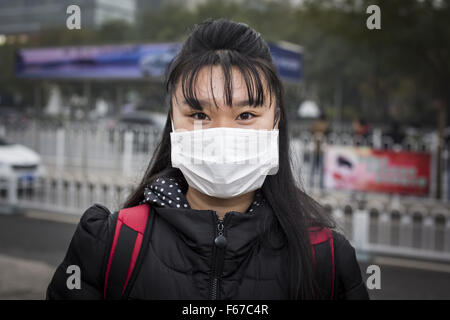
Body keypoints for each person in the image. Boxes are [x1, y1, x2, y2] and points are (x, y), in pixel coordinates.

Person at [46, 19, 369, 300]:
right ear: (172, 121)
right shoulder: (110, 244)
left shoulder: (325, 259)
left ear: (275, 120)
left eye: (246, 114)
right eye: (199, 114)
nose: (222, 134)